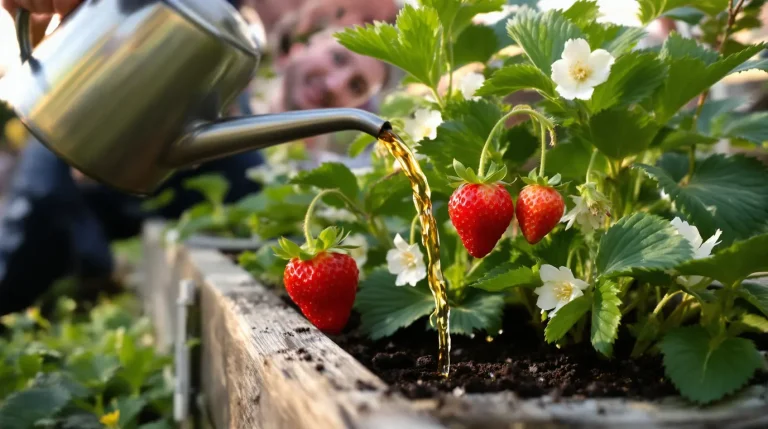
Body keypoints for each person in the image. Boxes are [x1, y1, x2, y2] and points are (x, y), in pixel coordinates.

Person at [0, 0, 395, 315]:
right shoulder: (220, 72)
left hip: (102, 251)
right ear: (300, 46)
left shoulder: (305, 179)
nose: (333, 85)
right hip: (45, 210)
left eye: (356, 87)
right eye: (338, 59)